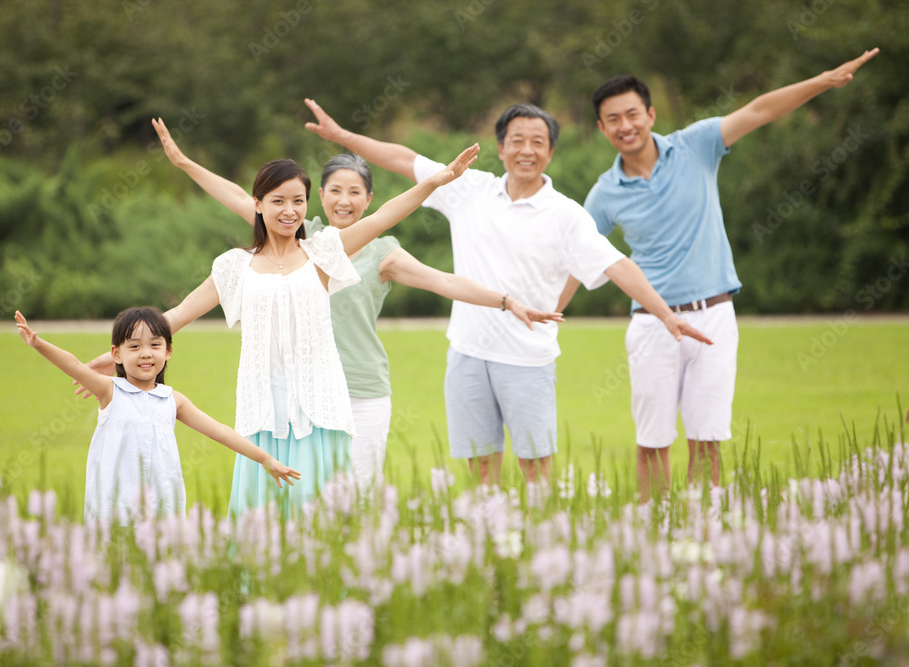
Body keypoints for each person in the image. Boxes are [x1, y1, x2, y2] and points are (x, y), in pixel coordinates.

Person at [302, 98, 713, 487]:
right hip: (466, 355)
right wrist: (343, 138)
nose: (527, 150)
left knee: (536, 469)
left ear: (551, 152)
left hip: (527, 359)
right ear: (500, 148)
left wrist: (665, 313)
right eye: (517, 140)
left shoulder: (566, 214)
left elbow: (617, 264)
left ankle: (538, 548)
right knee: (481, 470)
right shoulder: (469, 189)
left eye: (538, 142)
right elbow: (404, 159)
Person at [150, 117, 563, 493]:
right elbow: (241, 196)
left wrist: (506, 301)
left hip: (360, 387)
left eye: (355, 192)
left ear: (368, 199)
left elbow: (444, 280)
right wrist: (185, 163)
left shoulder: (376, 251)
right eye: (334, 191)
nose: (344, 200)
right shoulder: (305, 238)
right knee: (298, 492)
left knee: (356, 493)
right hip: (297, 389)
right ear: (321, 197)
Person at [86, 144, 480, 515]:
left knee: (323, 512)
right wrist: (117, 353)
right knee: (265, 514)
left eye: (298, 201)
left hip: (320, 408)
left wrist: (434, 181)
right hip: (263, 412)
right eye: (278, 201)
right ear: (257, 205)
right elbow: (179, 314)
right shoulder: (234, 265)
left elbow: (383, 217)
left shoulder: (322, 252)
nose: (290, 211)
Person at [584, 48, 879, 503]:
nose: (626, 126)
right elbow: (580, 251)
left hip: (714, 317)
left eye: (632, 114)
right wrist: (545, 308)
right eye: (613, 120)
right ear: (602, 129)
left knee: (707, 438)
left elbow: (759, 109)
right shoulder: (604, 194)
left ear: (650, 114)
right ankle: (650, 538)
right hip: (651, 324)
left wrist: (822, 80)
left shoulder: (695, 144)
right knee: (653, 442)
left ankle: (705, 534)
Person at [15, 307, 299, 525]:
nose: (145, 354)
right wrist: (38, 344)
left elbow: (220, 431)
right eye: (134, 346)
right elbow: (75, 365)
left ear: (168, 350)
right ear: (116, 354)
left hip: (162, 504)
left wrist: (265, 459)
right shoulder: (110, 391)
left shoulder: (172, 400)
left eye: (154, 345)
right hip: (114, 504)